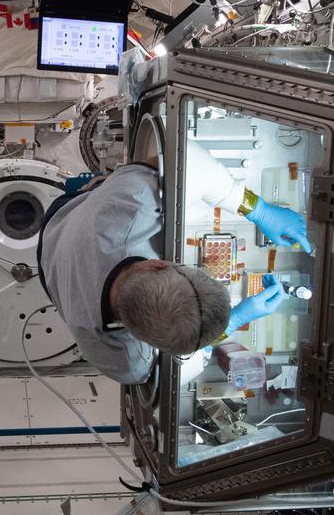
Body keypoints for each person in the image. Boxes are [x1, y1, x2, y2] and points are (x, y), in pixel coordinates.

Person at [38, 154, 313, 384]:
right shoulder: (117, 357)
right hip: (56, 269)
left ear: (157, 264)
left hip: (60, 222)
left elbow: (180, 157)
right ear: (157, 263)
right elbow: (170, 372)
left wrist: (258, 210)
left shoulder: (133, 202)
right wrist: (232, 321)